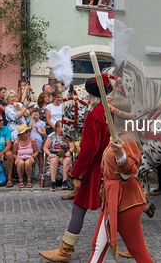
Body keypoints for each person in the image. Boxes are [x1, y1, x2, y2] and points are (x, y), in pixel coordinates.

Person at [39, 74, 112, 262]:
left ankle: (65, 251)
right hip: (111, 167)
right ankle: (126, 245)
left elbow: (89, 150)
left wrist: (75, 171)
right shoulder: (109, 111)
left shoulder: (94, 115)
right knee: (116, 208)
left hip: (97, 169)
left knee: (79, 207)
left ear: (90, 95)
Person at [88, 95, 153, 263]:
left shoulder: (128, 140)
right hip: (113, 198)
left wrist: (120, 154)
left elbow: (130, 172)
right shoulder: (117, 136)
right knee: (98, 245)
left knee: (138, 252)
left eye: (107, 114)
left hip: (126, 201)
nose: (103, 117)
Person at [43, 120, 74, 191]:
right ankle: (53, 181)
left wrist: (69, 151)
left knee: (68, 160)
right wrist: (49, 154)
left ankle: (64, 181)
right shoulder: (52, 136)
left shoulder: (67, 135)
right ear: (57, 128)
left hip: (64, 154)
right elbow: (45, 147)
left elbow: (72, 147)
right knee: (53, 160)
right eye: (62, 126)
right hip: (54, 154)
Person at [28, 106, 47, 186]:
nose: (35, 116)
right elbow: (28, 128)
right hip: (30, 140)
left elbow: (44, 133)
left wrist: (38, 130)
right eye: (33, 114)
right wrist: (31, 119)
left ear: (40, 115)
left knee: (39, 156)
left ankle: (40, 172)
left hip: (38, 140)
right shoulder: (31, 121)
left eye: (36, 114)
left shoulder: (42, 123)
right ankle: (31, 173)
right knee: (31, 155)